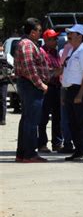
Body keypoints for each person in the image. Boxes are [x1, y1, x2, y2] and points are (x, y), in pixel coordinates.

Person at [14, 18, 49, 163]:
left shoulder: (27, 44)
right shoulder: (27, 45)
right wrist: (41, 85)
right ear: (33, 32)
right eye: (39, 30)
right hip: (31, 86)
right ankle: (29, 154)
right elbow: (30, 69)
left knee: (27, 119)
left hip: (29, 85)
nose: (40, 33)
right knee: (31, 121)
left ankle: (22, 153)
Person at [62, 24, 83, 161]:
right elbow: (66, 72)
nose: (69, 36)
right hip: (70, 90)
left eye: (72, 34)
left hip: (80, 88)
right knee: (72, 122)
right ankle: (78, 149)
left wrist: (80, 94)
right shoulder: (71, 52)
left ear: (80, 37)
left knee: (82, 121)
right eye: (69, 34)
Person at [38, 29, 63, 153]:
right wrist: (57, 71)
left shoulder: (55, 52)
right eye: (53, 39)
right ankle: (42, 143)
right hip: (47, 87)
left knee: (58, 117)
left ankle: (57, 143)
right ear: (47, 40)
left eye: (56, 39)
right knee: (43, 117)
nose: (56, 41)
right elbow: (45, 72)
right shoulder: (42, 52)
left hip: (57, 87)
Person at [0, 41, 11, 125]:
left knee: (3, 99)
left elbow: (12, 65)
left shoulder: (7, 55)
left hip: (3, 81)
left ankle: (2, 119)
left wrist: (9, 72)